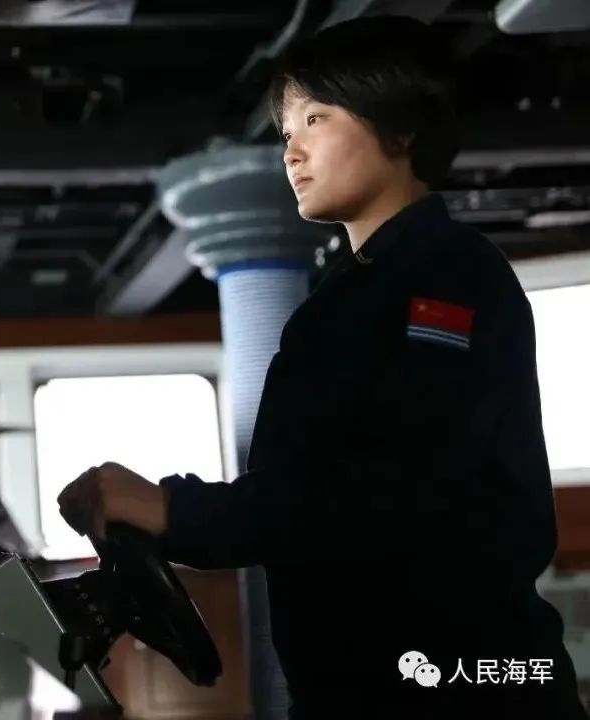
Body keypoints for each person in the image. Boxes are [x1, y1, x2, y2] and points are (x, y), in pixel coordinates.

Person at [57, 15, 587, 719]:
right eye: (285, 132)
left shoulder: (446, 274)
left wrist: (174, 510)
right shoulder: (352, 293)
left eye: (315, 119)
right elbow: (318, 488)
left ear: (400, 128)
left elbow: (390, 488)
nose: (292, 150)